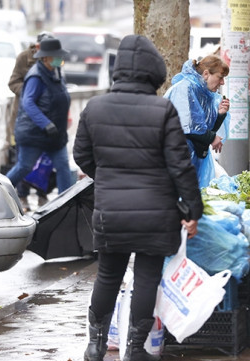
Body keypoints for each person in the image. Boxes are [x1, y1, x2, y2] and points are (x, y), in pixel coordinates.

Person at [73, 34, 203, 361]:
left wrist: (108, 177)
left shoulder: (95, 107)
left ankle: (95, 346)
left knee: (107, 275)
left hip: (110, 210)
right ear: (152, 72)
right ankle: (134, 350)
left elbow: (81, 155)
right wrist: (192, 209)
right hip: (155, 212)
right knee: (147, 278)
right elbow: (180, 167)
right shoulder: (163, 110)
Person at [6, 38, 74, 196]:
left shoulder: (55, 73)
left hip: (55, 135)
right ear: (45, 57)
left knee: (63, 166)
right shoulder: (36, 76)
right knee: (24, 167)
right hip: (34, 134)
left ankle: (66, 203)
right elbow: (28, 103)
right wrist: (45, 124)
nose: (60, 59)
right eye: (56, 56)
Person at [164, 55, 231, 188]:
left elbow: (205, 128)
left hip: (193, 159)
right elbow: (188, 127)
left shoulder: (205, 93)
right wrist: (212, 138)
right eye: (220, 77)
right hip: (177, 158)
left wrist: (220, 115)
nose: (222, 82)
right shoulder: (185, 88)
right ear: (206, 74)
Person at [8, 31, 55, 211]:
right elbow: (13, 82)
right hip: (25, 117)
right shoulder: (23, 58)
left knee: (45, 159)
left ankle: (42, 195)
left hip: (45, 118)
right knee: (24, 160)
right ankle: (21, 196)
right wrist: (31, 91)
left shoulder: (53, 59)